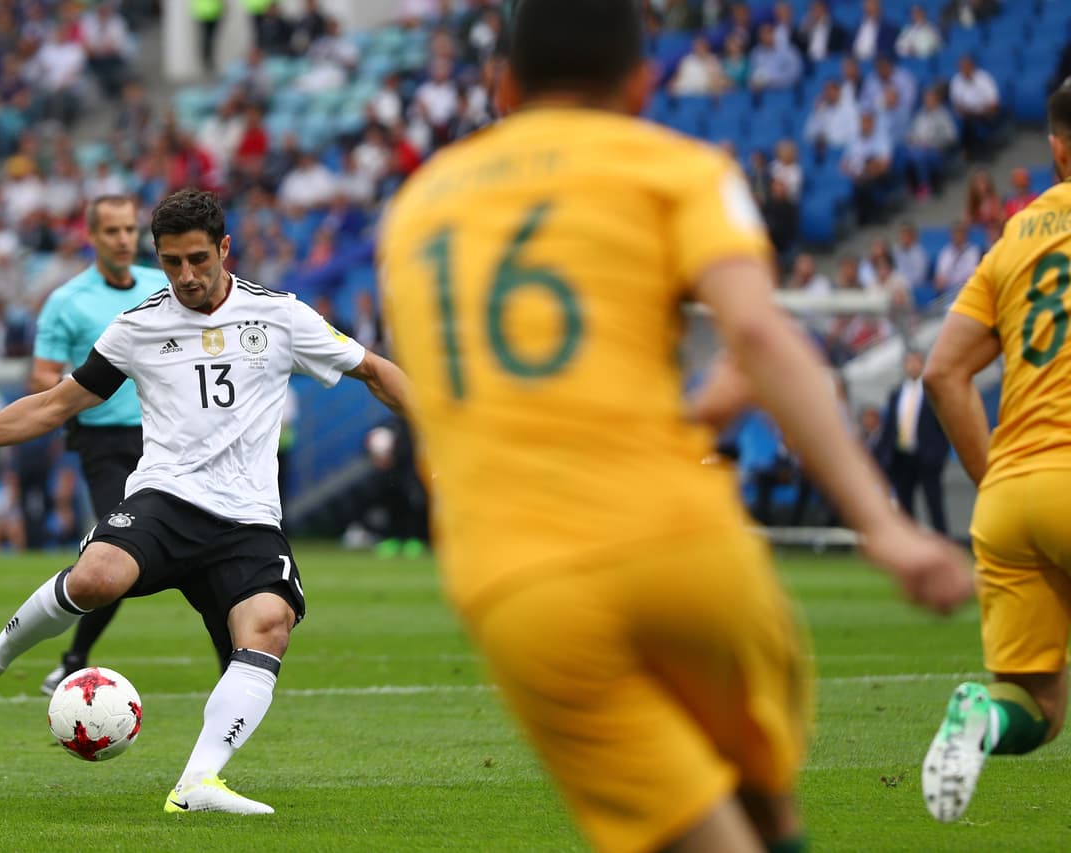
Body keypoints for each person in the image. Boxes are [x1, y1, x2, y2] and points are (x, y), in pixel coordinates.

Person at [378, 2, 973, 851]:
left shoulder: (417, 208)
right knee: (768, 810)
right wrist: (882, 524)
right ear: (641, 82)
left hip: (516, 576)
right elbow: (761, 334)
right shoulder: (675, 166)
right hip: (679, 542)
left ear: (501, 84)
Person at [0, 188, 411, 816]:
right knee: (96, 577)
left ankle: (197, 783)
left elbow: (378, 373)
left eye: (198, 259)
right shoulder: (139, 325)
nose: (187, 276)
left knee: (269, 626)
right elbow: (55, 405)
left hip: (249, 518)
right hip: (167, 496)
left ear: (225, 249)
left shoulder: (281, 316)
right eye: (172, 262)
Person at [919, 83, 1071, 824]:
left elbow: (942, 372)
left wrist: (997, 476)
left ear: (1057, 148)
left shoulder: (1013, 239)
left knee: (1036, 706)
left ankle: (980, 718)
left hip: (1011, 497)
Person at [29, 195, 171, 696]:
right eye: (112, 231)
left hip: (167, 439)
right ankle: (73, 657)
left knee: (210, 554)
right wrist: (87, 382)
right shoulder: (67, 301)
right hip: (103, 442)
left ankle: (235, 671)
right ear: (92, 236)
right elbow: (42, 374)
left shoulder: (161, 285)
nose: (124, 239)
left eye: (131, 229)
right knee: (117, 550)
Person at [875, 350, 950, 534]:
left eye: (915, 362)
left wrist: (939, 454)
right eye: (908, 363)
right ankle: (909, 541)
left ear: (922, 364)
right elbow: (890, 427)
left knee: (934, 502)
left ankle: (943, 541)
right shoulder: (897, 393)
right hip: (902, 456)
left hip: (927, 456)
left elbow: (944, 426)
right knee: (904, 503)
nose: (912, 366)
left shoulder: (933, 392)